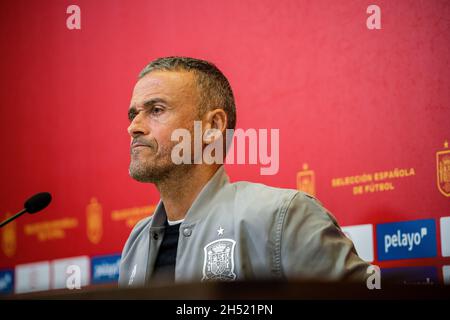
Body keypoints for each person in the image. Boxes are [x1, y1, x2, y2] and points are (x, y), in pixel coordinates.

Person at [119, 56, 369, 288]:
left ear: (213, 126)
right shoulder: (137, 241)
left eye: (156, 110)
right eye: (133, 114)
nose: (134, 127)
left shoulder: (283, 216)